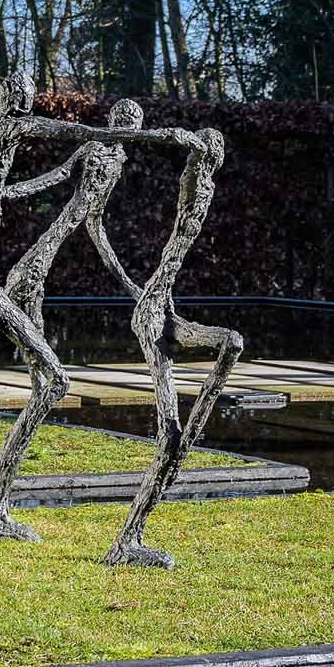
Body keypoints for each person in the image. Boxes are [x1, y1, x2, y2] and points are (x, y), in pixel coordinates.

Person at [0, 72, 198, 571]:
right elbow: (73, 140)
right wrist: (170, 138)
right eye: (24, 97)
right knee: (50, 381)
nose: (26, 103)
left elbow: (61, 205)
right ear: (16, 99)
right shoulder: (29, 132)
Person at [89, 125, 243, 568]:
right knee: (168, 433)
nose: (212, 157)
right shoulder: (192, 182)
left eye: (215, 153)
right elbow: (183, 162)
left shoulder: (204, 184)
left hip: (167, 310)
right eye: (207, 152)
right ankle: (127, 541)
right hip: (154, 315)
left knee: (232, 342)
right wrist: (170, 137)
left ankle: (187, 439)